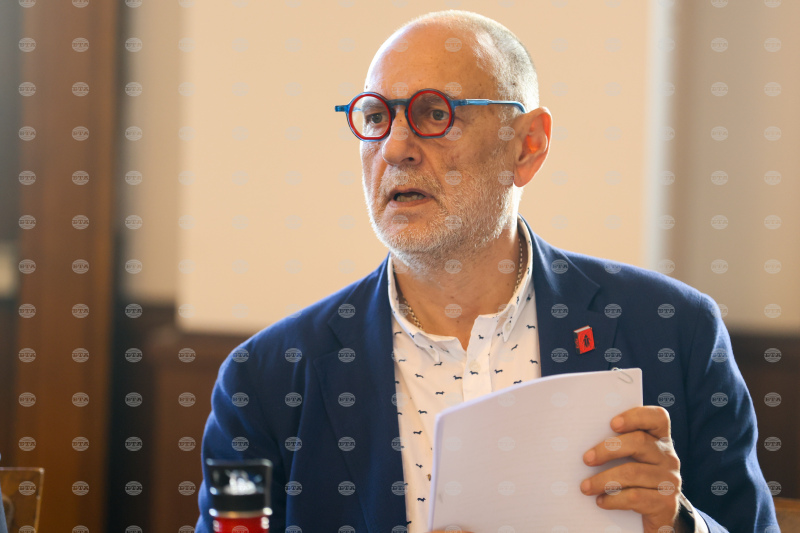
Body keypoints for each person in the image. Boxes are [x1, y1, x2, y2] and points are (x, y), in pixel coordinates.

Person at [196, 10, 777, 533]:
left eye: (433, 114)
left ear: (527, 147)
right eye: (375, 116)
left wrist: (678, 525)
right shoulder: (268, 380)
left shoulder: (673, 330)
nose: (395, 147)